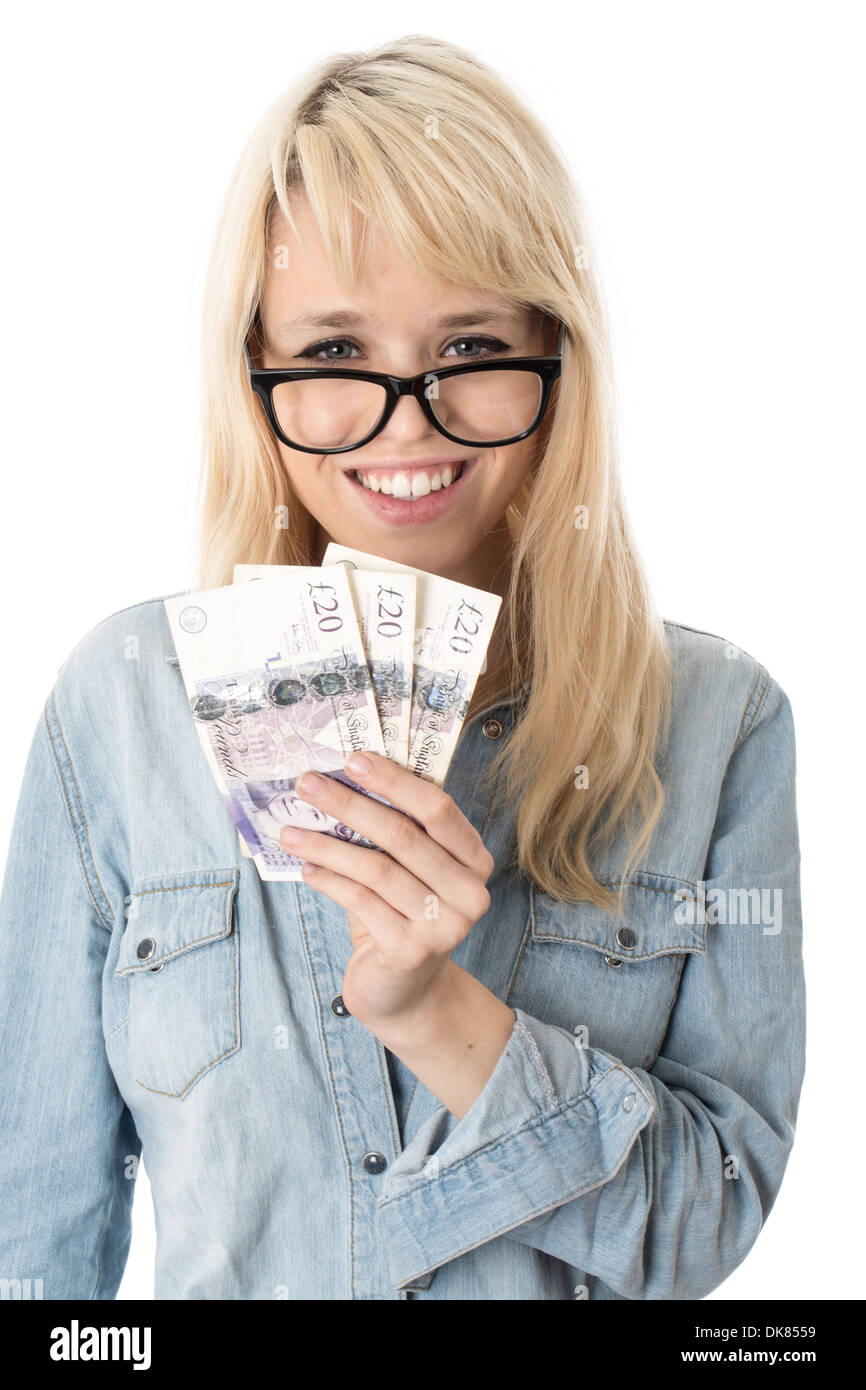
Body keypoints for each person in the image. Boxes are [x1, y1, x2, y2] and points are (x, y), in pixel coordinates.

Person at [0, 34, 804, 1301]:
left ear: (556, 354)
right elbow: (34, 1242)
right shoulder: (114, 709)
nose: (407, 420)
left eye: (471, 346)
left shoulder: (715, 725)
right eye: (331, 357)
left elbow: (702, 1226)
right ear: (253, 371)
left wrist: (433, 1012)